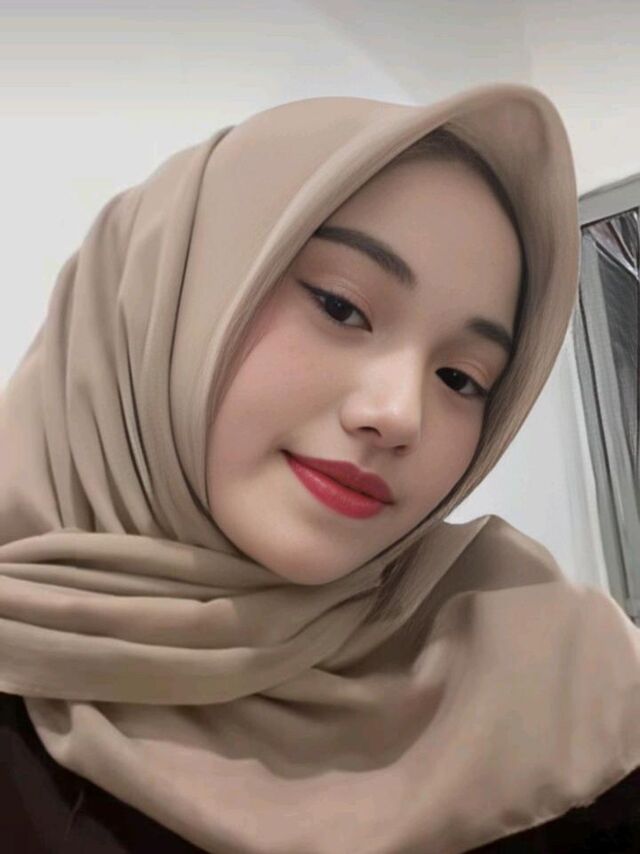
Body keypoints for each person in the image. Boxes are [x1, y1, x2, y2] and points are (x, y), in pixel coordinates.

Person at [0, 83, 638, 853]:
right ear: (164, 301)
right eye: (340, 306)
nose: (399, 414)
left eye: (461, 377)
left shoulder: (561, 689)